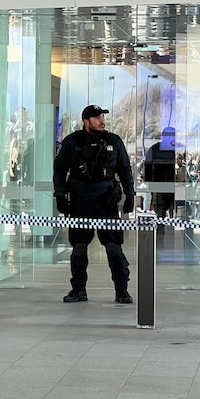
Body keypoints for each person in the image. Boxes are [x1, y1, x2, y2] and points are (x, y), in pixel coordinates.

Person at [53, 104, 136, 304]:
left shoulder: (113, 141)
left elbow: (125, 169)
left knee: (113, 249)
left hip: (106, 203)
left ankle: (121, 290)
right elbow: (59, 170)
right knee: (79, 249)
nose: (102, 120)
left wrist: (130, 194)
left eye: (102, 117)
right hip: (80, 204)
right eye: (97, 117)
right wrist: (61, 195)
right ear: (85, 120)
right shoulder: (72, 142)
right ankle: (78, 290)